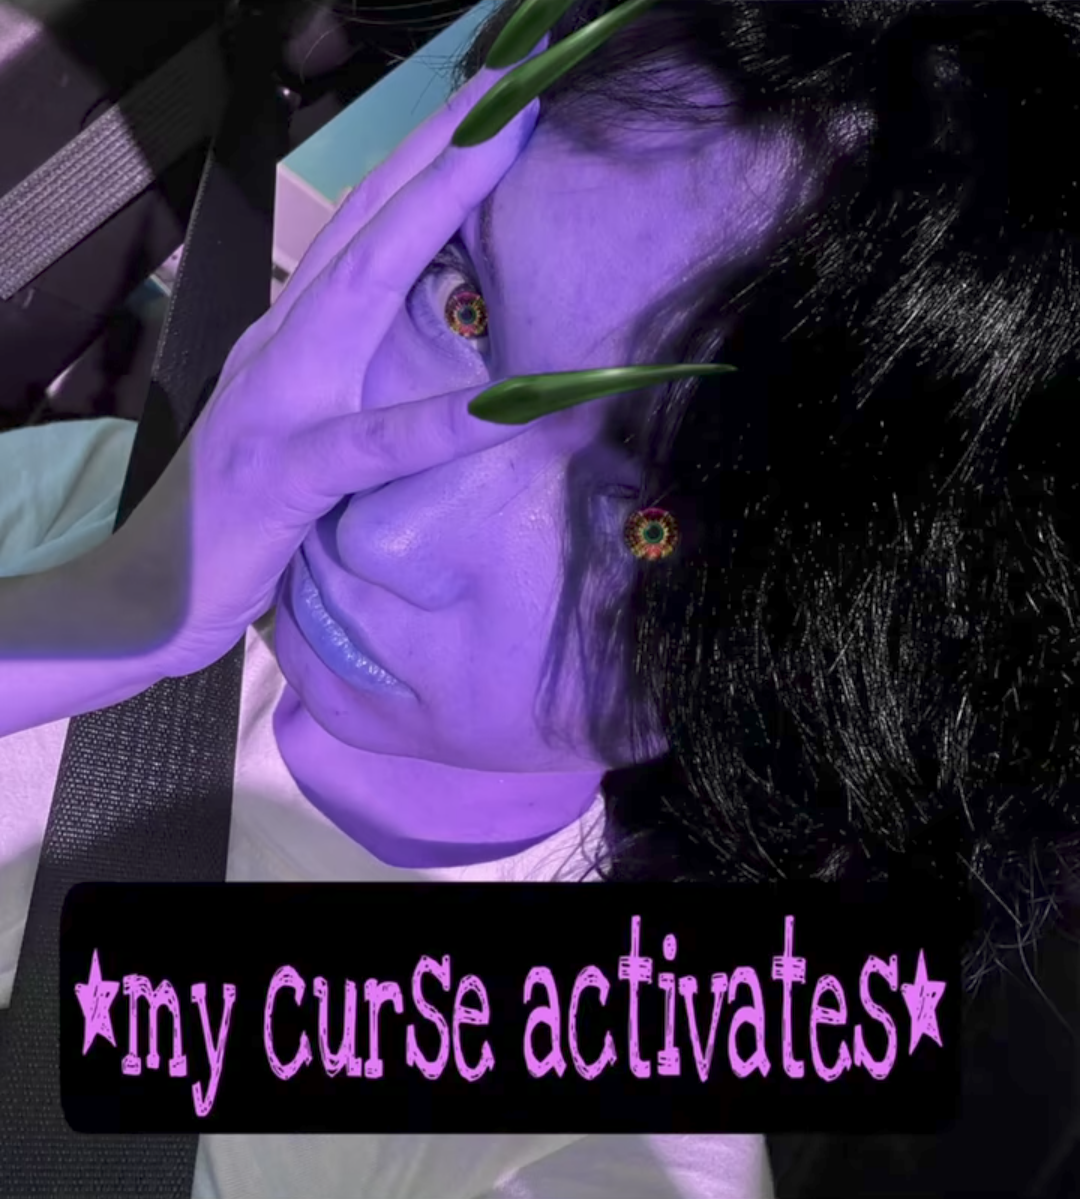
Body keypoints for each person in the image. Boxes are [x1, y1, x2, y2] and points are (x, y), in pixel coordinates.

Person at [1, 1, 1079, 1195]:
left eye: (649, 522)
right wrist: (97, 617)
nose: (390, 535)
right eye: (465, 307)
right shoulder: (112, 506)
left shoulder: (600, 1137)